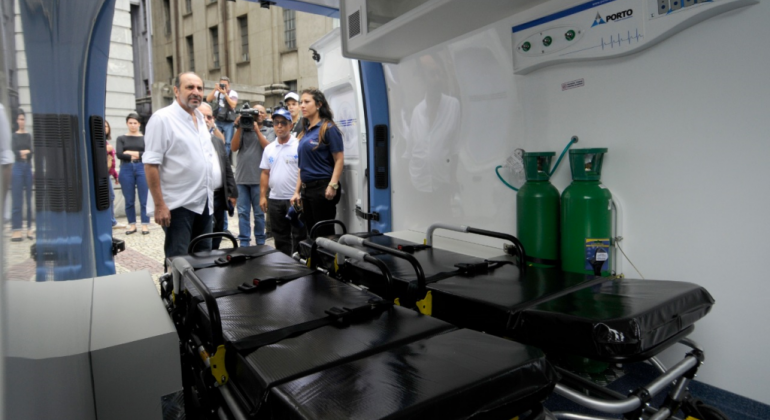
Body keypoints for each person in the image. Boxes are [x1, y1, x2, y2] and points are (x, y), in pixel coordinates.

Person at [144, 72, 218, 259]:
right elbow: (151, 165)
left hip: (204, 202)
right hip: (178, 205)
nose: (195, 92)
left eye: (199, 88)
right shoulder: (162, 119)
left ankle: (198, 290)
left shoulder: (201, 119)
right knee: (179, 262)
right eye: (190, 87)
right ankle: (178, 289)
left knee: (204, 260)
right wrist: (159, 205)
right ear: (176, 91)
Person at [290, 89, 344, 238]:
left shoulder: (328, 128)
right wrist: (297, 192)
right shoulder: (305, 131)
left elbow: (339, 159)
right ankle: (317, 261)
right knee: (312, 235)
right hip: (307, 191)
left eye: (307, 102)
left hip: (322, 188)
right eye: (301, 102)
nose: (302, 105)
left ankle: (328, 261)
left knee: (324, 236)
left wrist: (333, 185)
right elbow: (302, 166)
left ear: (319, 104)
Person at [259, 108, 305, 255]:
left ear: (291, 125)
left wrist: (299, 193)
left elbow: (302, 171)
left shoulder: (299, 146)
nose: (279, 126)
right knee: (279, 236)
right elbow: (265, 173)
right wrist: (262, 196)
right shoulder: (269, 149)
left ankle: (299, 265)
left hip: (294, 199)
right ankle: (284, 264)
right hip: (275, 199)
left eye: (283, 123)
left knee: (299, 234)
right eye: (276, 123)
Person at [231, 104, 274, 247]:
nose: (259, 115)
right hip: (242, 177)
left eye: (261, 112)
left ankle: (260, 242)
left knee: (259, 213)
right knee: (242, 212)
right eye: (256, 112)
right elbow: (234, 148)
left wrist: (257, 130)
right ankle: (244, 242)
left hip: (259, 178)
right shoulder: (243, 127)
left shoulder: (269, 129)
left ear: (265, 115)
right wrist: (239, 127)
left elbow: (268, 148)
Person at [200, 103, 237, 250]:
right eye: (202, 116)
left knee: (217, 234)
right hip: (200, 197)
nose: (206, 119)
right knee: (202, 237)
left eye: (209, 117)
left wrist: (232, 192)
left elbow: (226, 167)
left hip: (218, 197)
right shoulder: (190, 140)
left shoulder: (217, 141)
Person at [116, 112, 150, 235]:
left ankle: (145, 225)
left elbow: (147, 154)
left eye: (135, 123)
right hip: (126, 168)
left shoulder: (145, 138)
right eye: (130, 123)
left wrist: (129, 152)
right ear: (127, 124)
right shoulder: (121, 138)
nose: (133, 125)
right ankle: (132, 225)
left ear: (139, 124)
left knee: (144, 198)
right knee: (129, 199)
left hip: (142, 167)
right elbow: (119, 154)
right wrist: (137, 154)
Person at [10, 109, 33, 241]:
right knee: (17, 198)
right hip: (18, 167)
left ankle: (29, 228)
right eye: (19, 119)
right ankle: (16, 229)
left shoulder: (28, 136)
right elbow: (14, 150)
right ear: (17, 121)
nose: (21, 121)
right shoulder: (14, 136)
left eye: (23, 119)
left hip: (27, 167)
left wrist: (24, 152)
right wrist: (23, 152)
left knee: (29, 199)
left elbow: (31, 151)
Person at [206, 76, 238, 157]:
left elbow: (233, 105)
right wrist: (215, 89)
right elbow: (208, 99)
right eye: (222, 84)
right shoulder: (218, 92)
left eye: (225, 85)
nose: (223, 86)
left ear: (229, 85)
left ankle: (225, 159)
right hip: (219, 119)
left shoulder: (232, 93)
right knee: (215, 139)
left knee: (227, 142)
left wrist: (225, 94)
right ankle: (216, 157)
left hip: (228, 121)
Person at [104, 120, 124, 230]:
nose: (104, 128)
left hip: (107, 173)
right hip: (101, 174)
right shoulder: (102, 143)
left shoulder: (107, 143)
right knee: (109, 196)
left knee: (110, 196)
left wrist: (115, 175)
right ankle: (111, 221)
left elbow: (112, 162)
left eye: (106, 126)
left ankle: (111, 221)